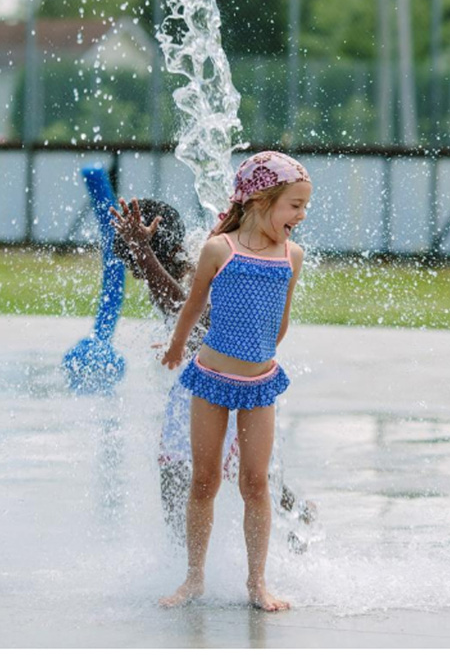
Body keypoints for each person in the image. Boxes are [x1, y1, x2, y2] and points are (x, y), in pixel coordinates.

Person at [110, 195, 314, 558]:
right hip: (210, 381)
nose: (135, 272)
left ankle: (184, 556)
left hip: (230, 383)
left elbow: (186, 308)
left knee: (210, 473)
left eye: (134, 263)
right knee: (235, 472)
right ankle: (295, 518)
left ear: (163, 246)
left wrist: (143, 253)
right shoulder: (183, 260)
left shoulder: (194, 261)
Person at [155, 151, 311, 613]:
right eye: (294, 206)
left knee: (255, 484)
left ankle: (257, 583)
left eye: (304, 207)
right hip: (210, 379)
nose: (300, 217)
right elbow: (191, 306)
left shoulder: (291, 256)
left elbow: (280, 325)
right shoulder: (218, 251)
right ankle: (195, 577)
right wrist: (175, 347)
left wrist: (258, 353)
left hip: (260, 384)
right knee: (203, 481)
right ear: (261, 200)